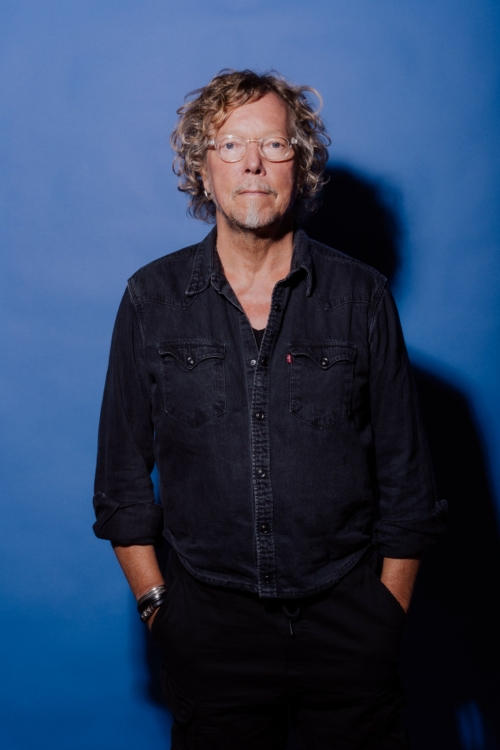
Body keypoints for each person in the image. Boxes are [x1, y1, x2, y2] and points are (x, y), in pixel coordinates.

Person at [93, 69, 446, 749]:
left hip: (347, 621)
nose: (252, 163)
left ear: (299, 164)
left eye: (274, 145)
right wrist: (160, 607)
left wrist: (385, 614)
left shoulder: (363, 298)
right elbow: (120, 484)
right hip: (209, 629)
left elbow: (409, 484)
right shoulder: (150, 299)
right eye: (230, 145)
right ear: (203, 169)